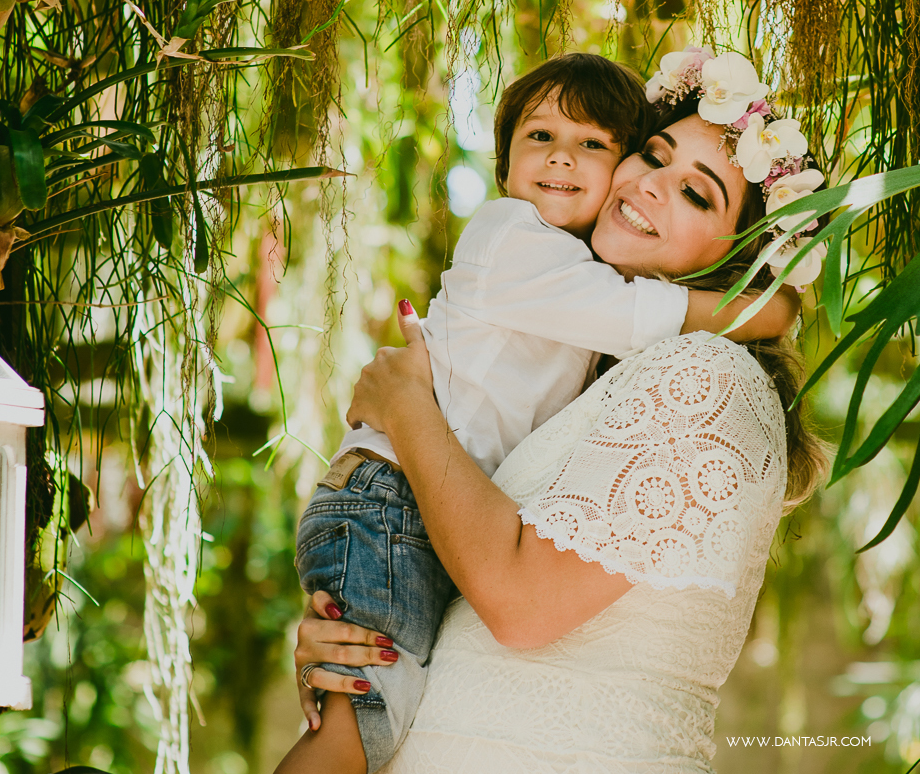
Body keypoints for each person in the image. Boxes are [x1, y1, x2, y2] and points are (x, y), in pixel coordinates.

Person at [285, 46, 831, 773]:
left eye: (698, 194)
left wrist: (408, 404)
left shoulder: (706, 376)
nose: (650, 187)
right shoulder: (580, 341)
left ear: (744, 259)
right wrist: (361, 630)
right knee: (351, 713)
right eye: (653, 155)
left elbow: (518, 602)